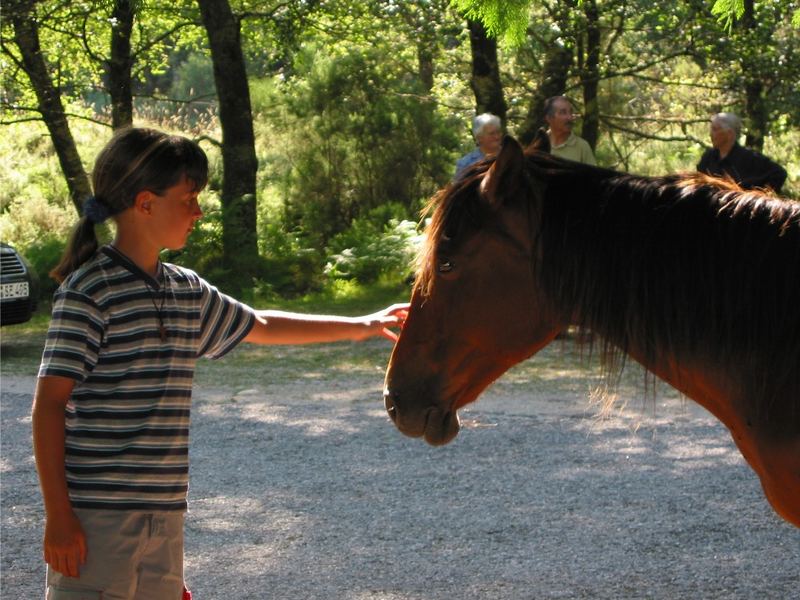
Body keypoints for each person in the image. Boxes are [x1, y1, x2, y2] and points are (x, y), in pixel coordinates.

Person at [33, 127, 408, 600]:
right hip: (96, 520)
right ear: (145, 204)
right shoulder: (89, 292)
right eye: (188, 199)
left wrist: (363, 323)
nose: (198, 211)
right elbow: (48, 406)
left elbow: (263, 325)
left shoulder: (186, 289)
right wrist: (59, 517)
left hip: (164, 516)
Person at [697, 112, 787, 193]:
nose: (711, 134)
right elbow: (698, 182)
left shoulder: (749, 158)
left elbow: (779, 173)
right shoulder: (708, 157)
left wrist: (759, 198)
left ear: (730, 134)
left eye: (715, 129)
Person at [543, 95, 596, 165]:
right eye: (563, 112)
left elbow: (593, 175)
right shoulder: (539, 144)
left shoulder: (582, 147)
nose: (570, 117)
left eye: (570, 112)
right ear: (549, 118)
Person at [454, 113, 502, 179]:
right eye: (492, 134)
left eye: (498, 132)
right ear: (479, 138)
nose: (497, 137)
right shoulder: (466, 164)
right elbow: (459, 188)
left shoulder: (511, 157)